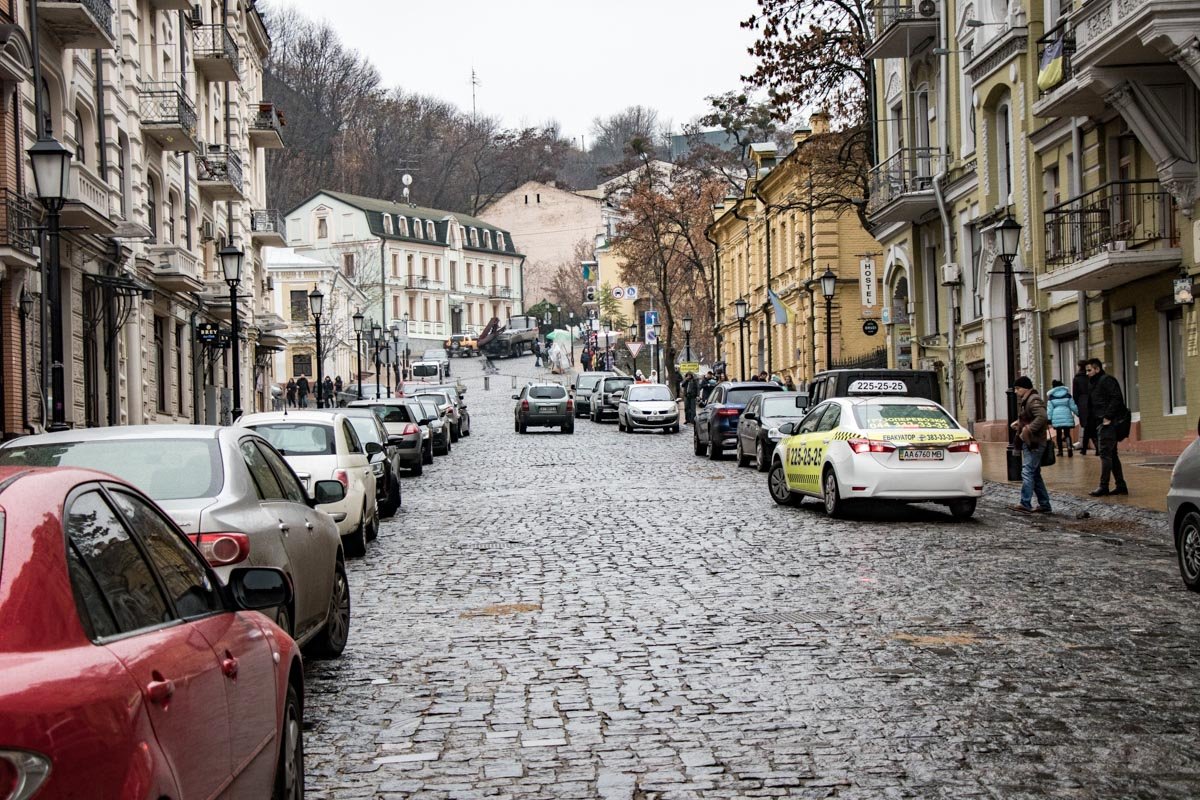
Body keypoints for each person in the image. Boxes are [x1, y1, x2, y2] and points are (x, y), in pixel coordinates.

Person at [1087, 358, 1129, 496]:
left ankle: (1104, 486)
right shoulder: (1094, 383)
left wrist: (1107, 417)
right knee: (1112, 454)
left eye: (1089, 370)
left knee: (1105, 454)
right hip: (1102, 423)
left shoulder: (1106, 380)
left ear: (1097, 369)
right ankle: (1121, 485)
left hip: (1108, 423)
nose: (1087, 373)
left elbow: (1116, 398)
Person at [1011, 375, 1051, 514]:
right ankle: (1045, 504)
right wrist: (1019, 423)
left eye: (1017, 388)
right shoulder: (1027, 400)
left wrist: (1028, 429)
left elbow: (1042, 417)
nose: (1016, 391)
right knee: (1035, 474)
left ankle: (1025, 503)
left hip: (1034, 442)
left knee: (1027, 471)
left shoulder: (1033, 399)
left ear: (1025, 388)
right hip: (1030, 441)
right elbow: (1030, 417)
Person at [1046, 379, 1079, 458]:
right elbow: (1073, 406)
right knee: (1067, 433)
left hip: (1056, 416)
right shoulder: (1067, 395)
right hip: (1067, 414)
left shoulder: (1051, 396)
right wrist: (1078, 414)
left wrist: (1049, 419)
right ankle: (1069, 447)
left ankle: (1060, 451)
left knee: (1059, 434)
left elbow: (1050, 409)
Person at [1073, 359, 1096, 455]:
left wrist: (1077, 404)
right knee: (1091, 425)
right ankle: (1090, 448)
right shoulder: (1090, 376)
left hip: (1082, 402)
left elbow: (1075, 394)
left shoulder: (1077, 378)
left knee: (1086, 426)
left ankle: (1085, 449)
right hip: (1092, 400)